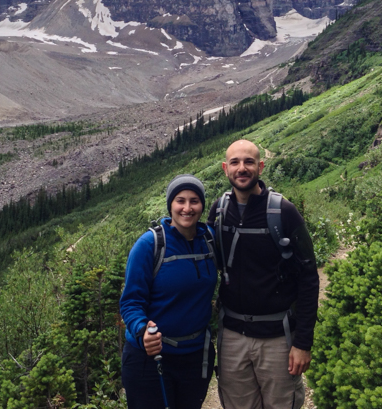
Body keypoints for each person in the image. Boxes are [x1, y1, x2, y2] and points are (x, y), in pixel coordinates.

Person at [208, 139, 319, 409]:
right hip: (232, 336)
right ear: (225, 168)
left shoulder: (284, 212)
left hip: (278, 338)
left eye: (249, 162)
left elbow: (308, 277)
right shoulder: (219, 211)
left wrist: (303, 343)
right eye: (235, 162)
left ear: (261, 167)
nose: (242, 168)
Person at [120, 174, 217, 409]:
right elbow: (130, 302)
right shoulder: (149, 245)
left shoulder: (210, 241)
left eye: (194, 201)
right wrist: (142, 330)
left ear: (202, 205)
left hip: (196, 356)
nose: (187, 208)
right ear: (170, 205)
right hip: (150, 358)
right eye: (180, 200)